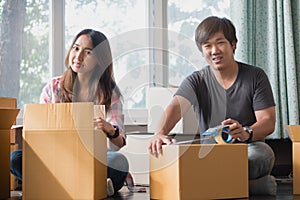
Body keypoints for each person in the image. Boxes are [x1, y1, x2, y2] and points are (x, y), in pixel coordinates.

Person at [148, 16, 277, 195]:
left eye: (220, 42)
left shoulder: (255, 76)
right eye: (207, 45)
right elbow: (175, 107)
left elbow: (268, 121)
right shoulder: (196, 80)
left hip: (245, 149)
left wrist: (246, 132)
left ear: (233, 44)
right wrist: (159, 133)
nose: (214, 50)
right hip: (209, 153)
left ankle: (212, 185)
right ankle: (252, 187)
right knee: (181, 158)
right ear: (202, 51)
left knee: (263, 154)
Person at [10, 29, 129, 196]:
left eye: (88, 52)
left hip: (91, 160)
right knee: (16, 158)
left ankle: (54, 183)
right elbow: (40, 132)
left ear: (100, 60)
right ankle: (91, 185)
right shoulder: (54, 88)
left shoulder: (110, 93)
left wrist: (110, 129)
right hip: (56, 157)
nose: (78, 57)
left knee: (119, 162)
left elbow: (119, 144)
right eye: (76, 48)